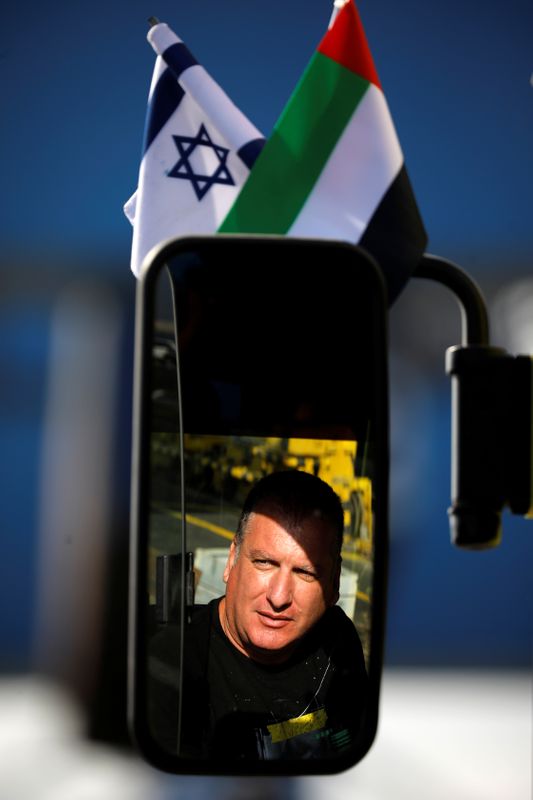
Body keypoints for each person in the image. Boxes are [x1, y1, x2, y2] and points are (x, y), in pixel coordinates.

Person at [150, 470, 368, 761]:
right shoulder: (172, 664)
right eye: (264, 563)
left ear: (335, 583)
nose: (278, 597)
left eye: (305, 573)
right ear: (231, 561)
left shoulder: (337, 642)